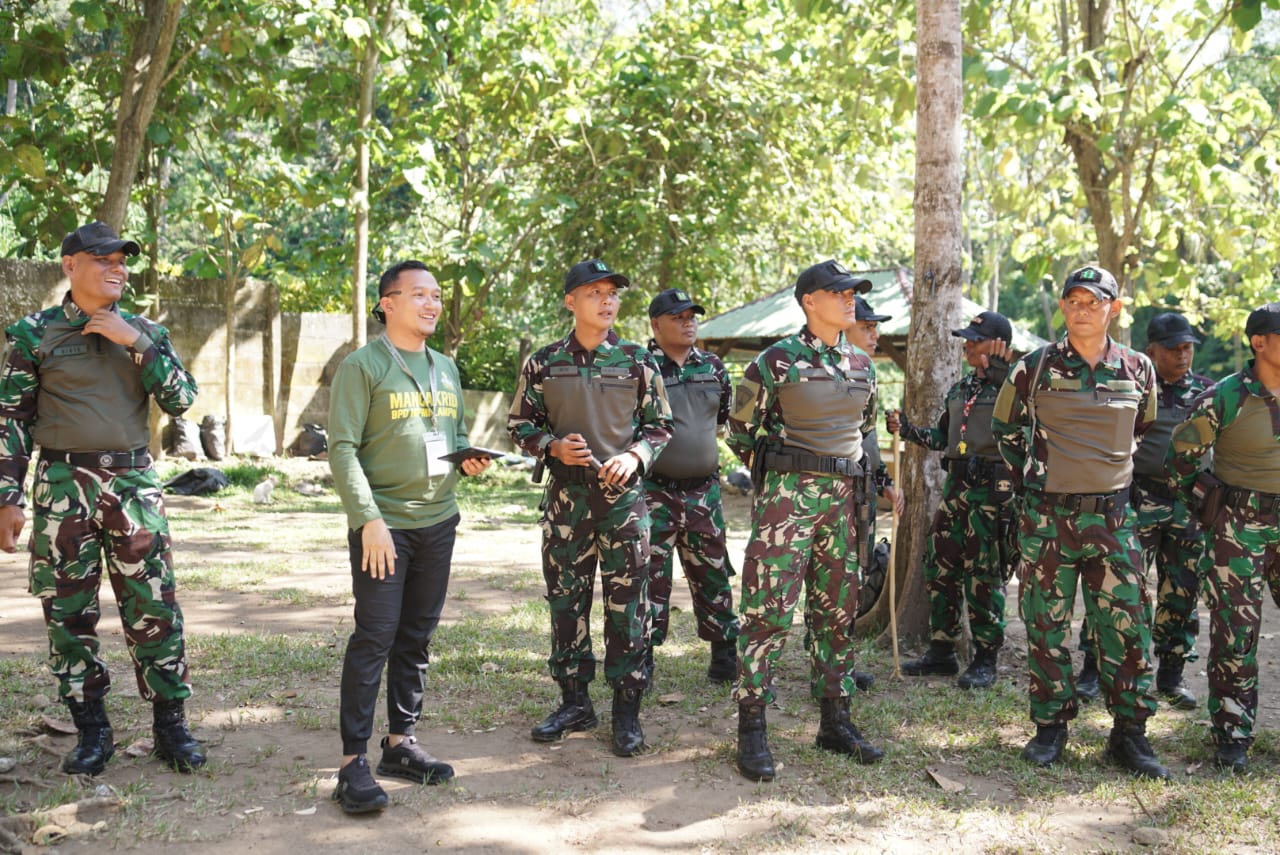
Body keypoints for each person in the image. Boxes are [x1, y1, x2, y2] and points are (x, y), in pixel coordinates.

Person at [0, 220, 205, 775]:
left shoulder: (145, 331)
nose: (117, 268)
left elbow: (182, 398)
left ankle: (171, 726)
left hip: (133, 485)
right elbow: (12, 422)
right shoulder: (32, 334)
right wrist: (7, 497)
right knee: (67, 611)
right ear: (70, 266)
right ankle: (91, 729)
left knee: (154, 607)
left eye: (122, 259)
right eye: (103, 259)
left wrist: (133, 342)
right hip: (62, 488)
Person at [991, 264, 1168, 780]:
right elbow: (1005, 430)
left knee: (1127, 627)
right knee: (1045, 626)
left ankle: (1129, 734)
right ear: (1063, 307)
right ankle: (1050, 728)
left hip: (1114, 519)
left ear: (1113, 308)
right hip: (1048, 520)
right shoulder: (1034, 367)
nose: (1082, 309)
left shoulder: (1138, 369)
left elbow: (1144, 426)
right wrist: (1040, 476)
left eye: (1094, 301)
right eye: (1073, 300)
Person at [327, 260, 490, 814]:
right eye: (419, 294)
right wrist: (368, 519)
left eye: (437, 295)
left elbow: (455, 432)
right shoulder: (362, 366)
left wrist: (467, 458)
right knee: (375, 636)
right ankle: (352, 764)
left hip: (438, 521)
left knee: (417, 636)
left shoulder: (446, 366)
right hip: (385, 525)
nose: (431, 303)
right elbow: (342, 448)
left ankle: (400, 743)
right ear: (387, 303)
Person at [727, 259, 885, 783]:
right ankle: (752, 726)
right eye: (838, 293)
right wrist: (779, 475)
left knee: (837, 611)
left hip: (844, 499)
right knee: (767, 611)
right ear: (808, 301)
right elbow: (741, 428)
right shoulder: (774, 362)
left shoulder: (863, 365)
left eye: (853, 294)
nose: (849, 301)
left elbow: (862, 429)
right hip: (787, 499)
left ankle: (834, 721)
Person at [508, 259, 672, 758]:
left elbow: (660, 427)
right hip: (565, 500)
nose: (606, 301)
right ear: (570, 301)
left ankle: (627, 710)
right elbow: (519, 425)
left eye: (613, 293)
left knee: (629, 607)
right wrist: (552, 447)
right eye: (594, 292)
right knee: (566, 602)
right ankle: (574, 701)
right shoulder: (543, 362)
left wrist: (634, 456)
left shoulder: (638, 360)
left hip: (622, 502)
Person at [1168, 302, 1280, 773]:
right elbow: (1180, 458)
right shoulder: (1226, 397)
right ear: (1259, 342)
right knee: (1236, 637)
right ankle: (1232, 737)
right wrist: (1209, 500)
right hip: (1239, 529)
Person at [886, 311, 1016, 689]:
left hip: (993, 496)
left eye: (975, 340)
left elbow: (1032, 430)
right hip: (956, 491)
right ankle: (941, 650)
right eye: (966, 339)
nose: (966, 345)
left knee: (984, 576)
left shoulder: (1017, 388)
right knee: (940, 568)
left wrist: (1003, 378)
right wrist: (908, 430)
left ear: (998, 345)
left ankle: (985, 657)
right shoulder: (961, 390)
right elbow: (944, 437)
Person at [1091, 312, 1211, 709]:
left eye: (1188, 347)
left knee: (1181, 591)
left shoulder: (1207, 393)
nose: (1183, 355)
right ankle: (1096, 668)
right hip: (1138, 501)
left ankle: (1171, 675)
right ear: (1152, 351)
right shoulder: (1132, 389)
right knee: (1120, 589)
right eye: (1174, 349)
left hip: (1188, 506)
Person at [640, 288, 740, 686]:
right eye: (678, 317)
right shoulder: (640, 367)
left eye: (691, 315)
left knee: (713, 572)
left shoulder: (713, 367)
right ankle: (642, 659)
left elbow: (725, 420)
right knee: (648, 574)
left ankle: (724, 657)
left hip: (704, 494)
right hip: (653, 491)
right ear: (656, 324)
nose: (688, 322)